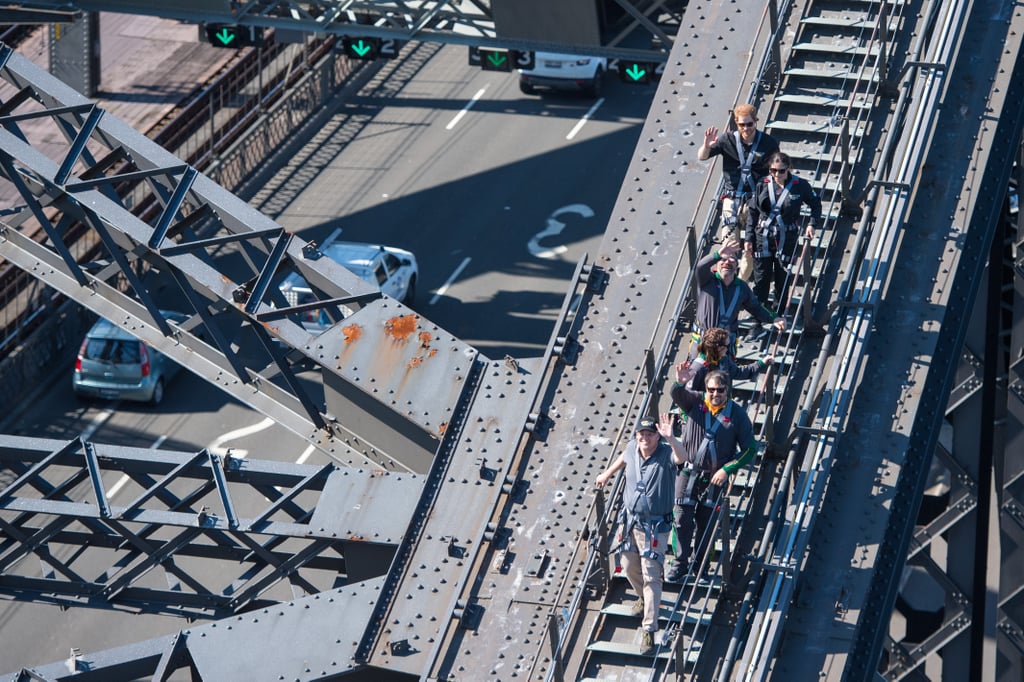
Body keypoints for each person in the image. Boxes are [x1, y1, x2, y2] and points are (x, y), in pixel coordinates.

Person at [595, 415, 685, 655]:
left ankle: (649, 628)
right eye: (641, 434)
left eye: (649, 434)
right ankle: (642, 598)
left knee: (651, 575)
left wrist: (671, 438)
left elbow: (682, 458)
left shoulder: (666, 454)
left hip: (654, 527)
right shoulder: (633, 447)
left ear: (657, 436)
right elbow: (624, 458)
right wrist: (606, 474)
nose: (645, 438)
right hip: (629, 521)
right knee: (627, 565)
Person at [665, 368, 757, 583]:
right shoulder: (695, 402)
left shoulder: (738, 415)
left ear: (728, 390)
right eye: (711, 389)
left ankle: (701, 568)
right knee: (681, 520)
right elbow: (676, 394)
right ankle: (679, 564)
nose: (715, 394)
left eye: (720, 390)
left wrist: (727, 470)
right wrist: (679, 383)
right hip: (687, 474)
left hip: (714, 479)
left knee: (706, 524)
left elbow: (750, 450)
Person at [698, 103, 780, 278]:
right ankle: (726, 281)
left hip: (755, 200)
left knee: (751, 247)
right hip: (732, 199)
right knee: (729, 245)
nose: (746, 128)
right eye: (742, 124)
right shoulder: (726, 140)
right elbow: (702, 156)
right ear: (736, 122)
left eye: (749, 124)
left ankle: (740, 283)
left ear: (756, 122)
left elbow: (776, 173)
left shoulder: (769, 143)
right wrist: (707, 145)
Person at [744, 151, 823, 320]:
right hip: (762, 237)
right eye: (773, 170)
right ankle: (758, 318)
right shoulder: (762, 184)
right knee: (761, 279)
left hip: (786, 238)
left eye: (781, 171)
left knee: (782, 278)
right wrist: (748, 238)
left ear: (789, 168)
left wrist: (811, 224)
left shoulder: (800, 185)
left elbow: (816, 204)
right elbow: (753, 212)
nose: (777, 174)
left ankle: (777, 315)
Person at [692, 238, 784, 353]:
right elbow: (700, 267)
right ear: (717, 264)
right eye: (723, 259)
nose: (727, 262)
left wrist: (773, 318)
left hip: (724, 346)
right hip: (703, 343)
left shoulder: (741, 288)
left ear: (736, 266)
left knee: (724, 371)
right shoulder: (708, 280)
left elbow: (756, 307)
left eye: (732, 260)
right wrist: (717, 254)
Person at [686, 326, 772, 392]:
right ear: (718, 348)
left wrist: (761, 363)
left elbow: (738, 373)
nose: (728, 349)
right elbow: (687, 394)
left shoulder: (723, 359)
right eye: (727, 346)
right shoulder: (698, 367)